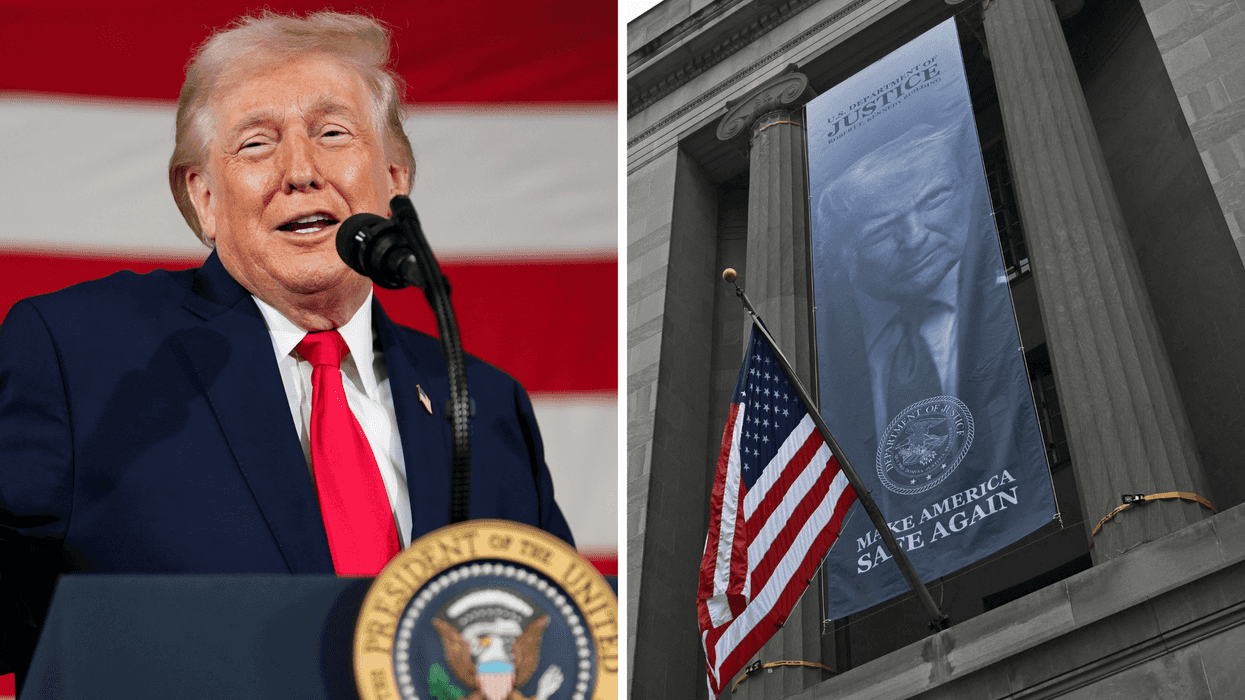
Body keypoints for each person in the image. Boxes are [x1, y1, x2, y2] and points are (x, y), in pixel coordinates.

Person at [0, 11, 572, 681]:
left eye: (333, 133)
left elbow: (557, 644)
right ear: (204, 198)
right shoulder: (80, 354)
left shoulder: (483, 402)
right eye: (255, 144)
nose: (300, 170)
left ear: (394, 180)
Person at [818, 122, 979, 438]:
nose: (915, 238)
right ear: (839, 257)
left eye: (934, 199)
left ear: (968, 188)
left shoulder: (994, 285)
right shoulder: (826, 347)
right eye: (879, 231)